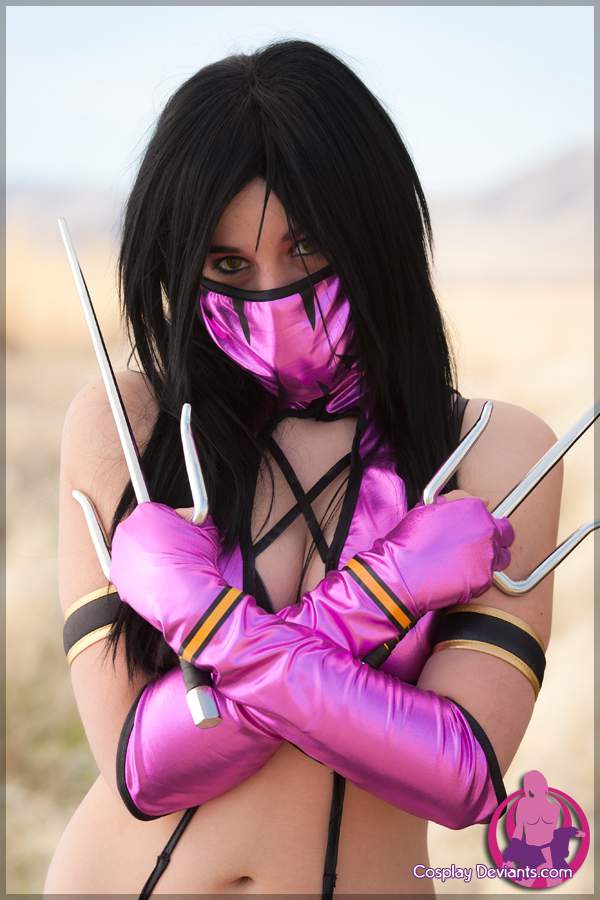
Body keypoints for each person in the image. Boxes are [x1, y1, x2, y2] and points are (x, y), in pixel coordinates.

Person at [45, 38, 562, 897]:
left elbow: (463, 774)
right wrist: (384, 594)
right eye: (227, 265)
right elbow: (139, 767)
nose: (275, 297)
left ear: (376, 235)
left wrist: (212, 628)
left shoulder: (495, 451)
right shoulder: (126, 422)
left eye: (311, 248)